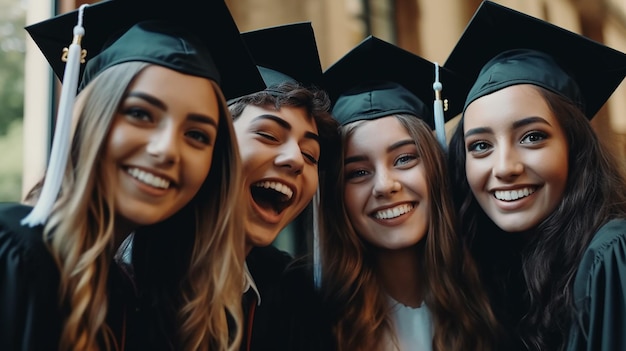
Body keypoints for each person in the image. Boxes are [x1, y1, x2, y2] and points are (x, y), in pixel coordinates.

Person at [0, 0, 265, 350]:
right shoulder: (16, 254)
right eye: (140, 114)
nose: (167, 149)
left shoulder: (140, 297)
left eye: (197, 135)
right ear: (91, 119)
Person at [445, 2, 626, 351]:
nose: (504, 167)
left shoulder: (611, 256)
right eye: (480, 145)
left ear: (574, 147)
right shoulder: (505, 272)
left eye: (532, 137)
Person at [318, 35, 500, 351]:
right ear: (336, 193)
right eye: (358, 172)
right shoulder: (311, 320)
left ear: (436, 167)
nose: (386, 185)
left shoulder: (498, 297)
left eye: (404, 158)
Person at [227, 22, 338, 350]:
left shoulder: (293, 297)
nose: (295, 159)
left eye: (311, 154)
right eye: (267, 135)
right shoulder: (127, 282)